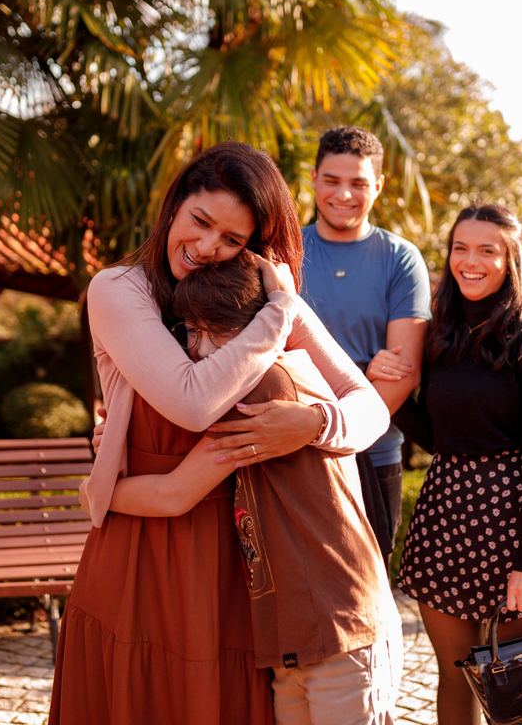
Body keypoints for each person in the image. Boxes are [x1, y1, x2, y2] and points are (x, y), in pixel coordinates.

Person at [49, 141, 389, 724]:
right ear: (174, 206)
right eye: (200, 222)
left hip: (246, 557)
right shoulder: (120, 288)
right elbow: (192, 400)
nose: (208, 249)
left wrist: (312, 423)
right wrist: (280, 313)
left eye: (232, 240)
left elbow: (371, 407)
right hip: (145, 553)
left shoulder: (260, 299)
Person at [106, 252, 402, 724]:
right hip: (302, 631)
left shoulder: (261, 389)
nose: (200, 350)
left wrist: (98, 490)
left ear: (261, 325)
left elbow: (175, 493)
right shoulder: (274, 373)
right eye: (192, 331)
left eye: (219, 331)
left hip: (339, 627)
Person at [391, 203, 522, 725]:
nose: (470, 261)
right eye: (460, 248)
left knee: (517, 679)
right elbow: (439, 438)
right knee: (454, 672)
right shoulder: (439, 332)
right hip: (446, 509)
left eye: (487, 250)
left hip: (515, 517)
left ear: (510, 259)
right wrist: (395, 393)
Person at [300, 126, 430, 564]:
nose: (344, 194)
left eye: (358, 183)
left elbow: (402, 372)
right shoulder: (283, 251)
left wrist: (325, 431)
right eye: (332, 180)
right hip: (291, 456)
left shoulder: (401, 259)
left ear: (377, 185)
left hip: (372, 454)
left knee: (367, 595)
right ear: (314, 177)